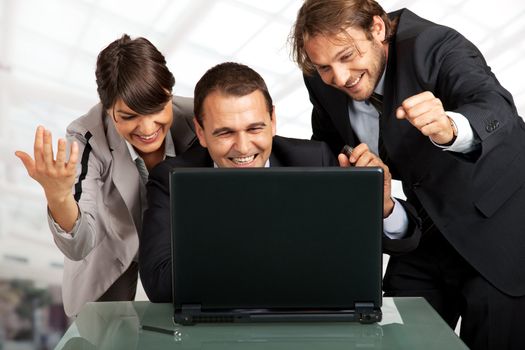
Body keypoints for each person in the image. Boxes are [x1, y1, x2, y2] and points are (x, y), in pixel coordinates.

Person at [290, 1, 525, 349]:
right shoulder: (321, 79)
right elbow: (327, 144)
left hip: (497, 225)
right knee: (393, 336)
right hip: (425, 226)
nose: (339, 78)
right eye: (325, 66)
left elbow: (496, 107)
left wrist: (450, 127)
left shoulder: (435, 45)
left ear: (378, 29)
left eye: (347, 56)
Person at [139, 61, 421, 302]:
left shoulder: (317, 159)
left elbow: (392, 245)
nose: (243, 146)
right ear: (200, 133)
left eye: (255, 128)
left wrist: (383, 207)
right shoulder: (170, 178)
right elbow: (160, 284)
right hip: (216, 324)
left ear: (273, 120)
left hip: (305, 318)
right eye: (225, 133)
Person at [15, 34, 196, 317]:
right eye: (128, 116)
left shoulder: (201, 116)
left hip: (183, 251)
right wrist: (59, 197)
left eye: (158, 109)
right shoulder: (85, 138)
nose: (148, 128)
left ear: (170, 94)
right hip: (112, 254)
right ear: (107, 109)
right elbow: (81, 243)